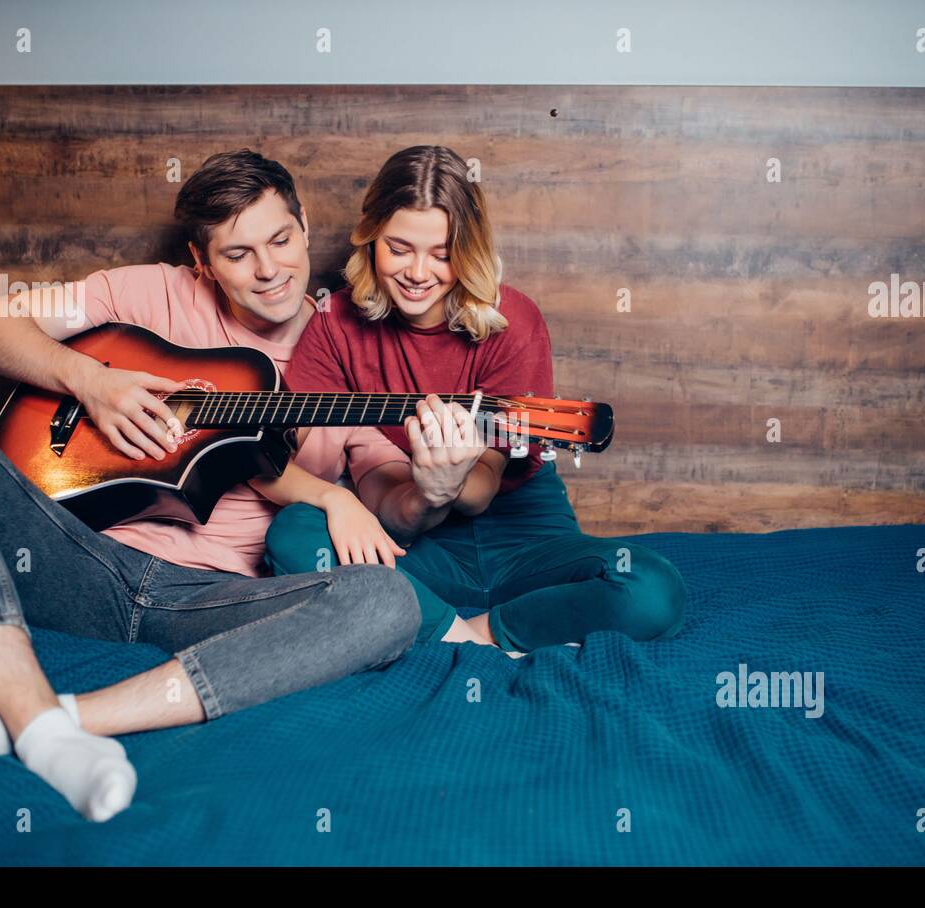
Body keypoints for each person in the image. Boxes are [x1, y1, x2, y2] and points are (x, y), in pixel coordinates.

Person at [0, 149, 423, 823]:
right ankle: (39, 722)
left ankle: (40, 725)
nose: (270, 268)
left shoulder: (355, 357)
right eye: (238, 253)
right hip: (74, 562)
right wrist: (91, 382)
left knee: (387, 602)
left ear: (305, 225)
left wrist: (437, 483)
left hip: (207, 600)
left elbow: (398, 501)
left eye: (280, 239)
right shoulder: (148, 291)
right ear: (200, 261)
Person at [264, 145, 687, 654]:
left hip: (525, 537)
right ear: (370, 238)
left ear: (469, 249)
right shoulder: (335, 324)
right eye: (399, 248)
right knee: (293, 535)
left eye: (442, 254)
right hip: (409, 540)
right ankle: (454, 632)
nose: (419, 273)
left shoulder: (514, 321)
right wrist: (412, 493)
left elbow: (484, 483)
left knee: (651, 589)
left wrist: (447, 482)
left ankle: (480, 631)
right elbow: (326, 473)